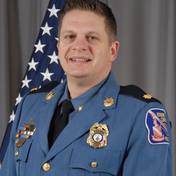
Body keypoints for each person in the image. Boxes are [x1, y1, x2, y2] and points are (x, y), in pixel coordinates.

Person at [0, 0, 173, 175]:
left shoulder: (142, 115)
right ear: (59, 48)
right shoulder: (30, 105)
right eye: (70, 36)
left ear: (112, 51)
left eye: (92, 37)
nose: (79, 46)